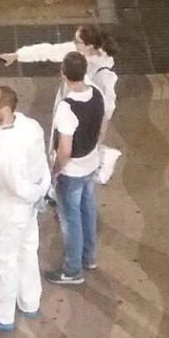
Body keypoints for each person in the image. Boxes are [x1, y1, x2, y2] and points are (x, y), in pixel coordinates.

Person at [0, 23, 120, 182]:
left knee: (68, 158)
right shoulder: (77, 54)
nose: (74, 44)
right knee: (59, 150)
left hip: (81, 125)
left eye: (77, 42)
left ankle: (61, 181)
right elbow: (48, 50)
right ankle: (58, 180)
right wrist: (16, 55)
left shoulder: (103, 75)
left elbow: (107, 111)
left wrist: (96, 141)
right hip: (66, 114)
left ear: (89, 46)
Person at [0, 86, 50, 332]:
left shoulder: (4, 144)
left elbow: (15, 185)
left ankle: (2, 314)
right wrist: (41, 192)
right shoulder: (32, 126)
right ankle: (29, 301)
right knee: (27, 251)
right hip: (29, 210)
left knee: (2, 259)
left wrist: (32, 194)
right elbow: (42, 164)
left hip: (8, 210)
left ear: (5, 110)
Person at [45, 52, 104, 286]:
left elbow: (65, 149)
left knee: (71, 220)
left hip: (72, 171)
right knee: (88, 210)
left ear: (63, 73)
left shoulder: (66, 108)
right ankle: (89, 257)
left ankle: (72, 270)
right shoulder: (97, 95)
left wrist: (55, 170)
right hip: (91, 163)